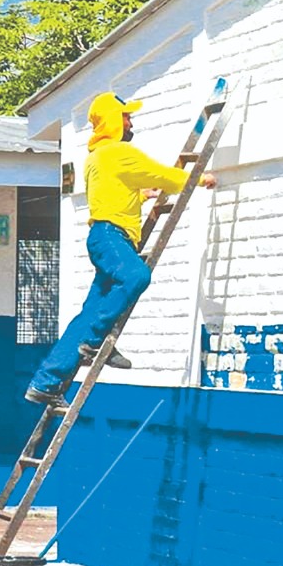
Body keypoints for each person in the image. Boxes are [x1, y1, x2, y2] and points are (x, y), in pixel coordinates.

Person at [25, 92, 216, 406]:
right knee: (136, 276)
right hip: (112, 238)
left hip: (105, 237)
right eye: (126, 116)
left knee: (87, 315)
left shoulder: (97, 157)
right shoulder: (118, 152)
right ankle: (96, 341)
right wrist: (199, 178)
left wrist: (142, 197)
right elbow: (165, 175)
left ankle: (46, 382)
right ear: (113, 121)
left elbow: (113, 193)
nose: (131, 122)